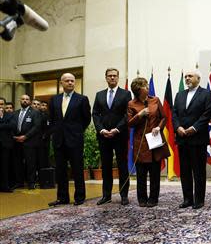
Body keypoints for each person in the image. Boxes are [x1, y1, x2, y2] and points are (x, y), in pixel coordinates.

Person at [48, 73, 91, 206]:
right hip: (59, 140)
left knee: (77, 169)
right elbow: (52, 119)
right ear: (62, 83)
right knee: (60, 170)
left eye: (72, 81)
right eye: (67, 81)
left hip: (75, 139)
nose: (70, 83)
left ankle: (79, 197)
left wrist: (77, 132)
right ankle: (62, 198)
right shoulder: (54, 99)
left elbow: (86, 119)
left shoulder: (82, 99)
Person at [173, 70, 211, 209]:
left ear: (198, 78)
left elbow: (207, 113)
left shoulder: (206, 94)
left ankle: (199, 200)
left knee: (198, 171)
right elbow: (174, 114)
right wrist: (177, 127)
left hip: (198, 138)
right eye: (185, 76)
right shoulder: (179, 95)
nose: (187, 78)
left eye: (190, 76)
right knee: (185, 171)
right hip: (182, 138)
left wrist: (194, 128)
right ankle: (187, 199)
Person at [128, 77, 169, 207]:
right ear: (139, 91)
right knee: (141, 173)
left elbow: (164, 117)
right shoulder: (131, 104)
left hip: (154, 140)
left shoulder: (155, 100)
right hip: (141, 143)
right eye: (145, 86)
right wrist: (139, 114)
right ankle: (142, 198)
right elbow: (129, 123)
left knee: (155, 172)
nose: (147, 88)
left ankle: (153, 198)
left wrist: (159, 127)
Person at [93, 68, 132, 206]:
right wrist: (101, 129)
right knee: (106, 166)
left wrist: (117, 129)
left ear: (118, 77)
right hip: (104, 136)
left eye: (115, 76)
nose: (112, 78)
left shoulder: (126, 94)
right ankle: (106, 195)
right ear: (106, 78)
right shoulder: (99, 95)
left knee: (122, 166)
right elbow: (95, 114)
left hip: (119, 135)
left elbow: (127, 114)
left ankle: (124, 195)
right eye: (110, 76)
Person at [11, 94, 41, 190]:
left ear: (30, 101)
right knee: (17, 163)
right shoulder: (15, 113)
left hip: (29, 142)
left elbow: (36, 127)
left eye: (27, 99)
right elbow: (11, 126)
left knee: (30, 163)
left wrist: (25, 136)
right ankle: (19, 182)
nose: (25, 101)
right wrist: (14, 136)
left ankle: (31, 183)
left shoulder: (35, 112)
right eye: (23, 99)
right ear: (20, 101)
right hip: (16, 141)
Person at [0, 97, 15, 192]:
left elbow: (12, 125)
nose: (0, 106)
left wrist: (1, 119)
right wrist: (4, 124)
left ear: (4, 105)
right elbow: (6, 126)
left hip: (5, 144)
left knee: (5, 166)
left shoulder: (10, 115)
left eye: (1, 104)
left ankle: (5, 186)